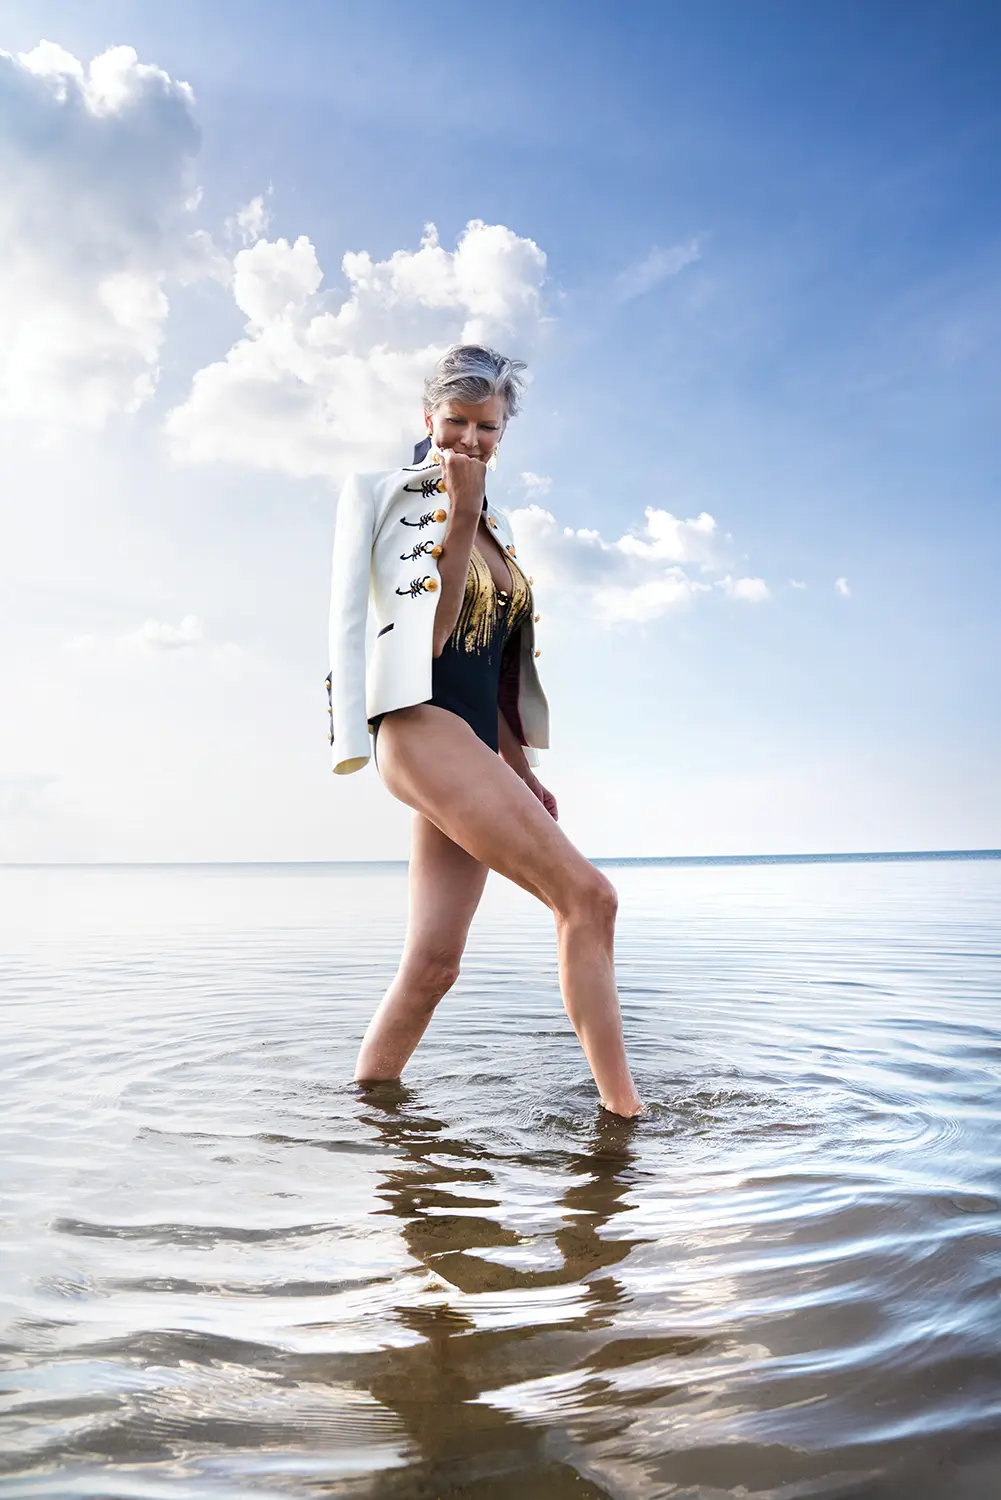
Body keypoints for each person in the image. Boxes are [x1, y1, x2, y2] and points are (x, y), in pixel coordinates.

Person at [326, 344, 642, 1117]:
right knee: (589, 899)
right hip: (415, 725)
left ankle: (370, 1110)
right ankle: (628, 1123)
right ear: (427, 418)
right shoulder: (389, 497)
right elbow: (427, 640)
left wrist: (520, 770)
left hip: (471, 739)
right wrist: (459, 510)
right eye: (455, 422)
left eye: (487, 428)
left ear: (504, 431)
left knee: (433, 965)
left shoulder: (499, 526)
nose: (469, 440)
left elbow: (493, 663)